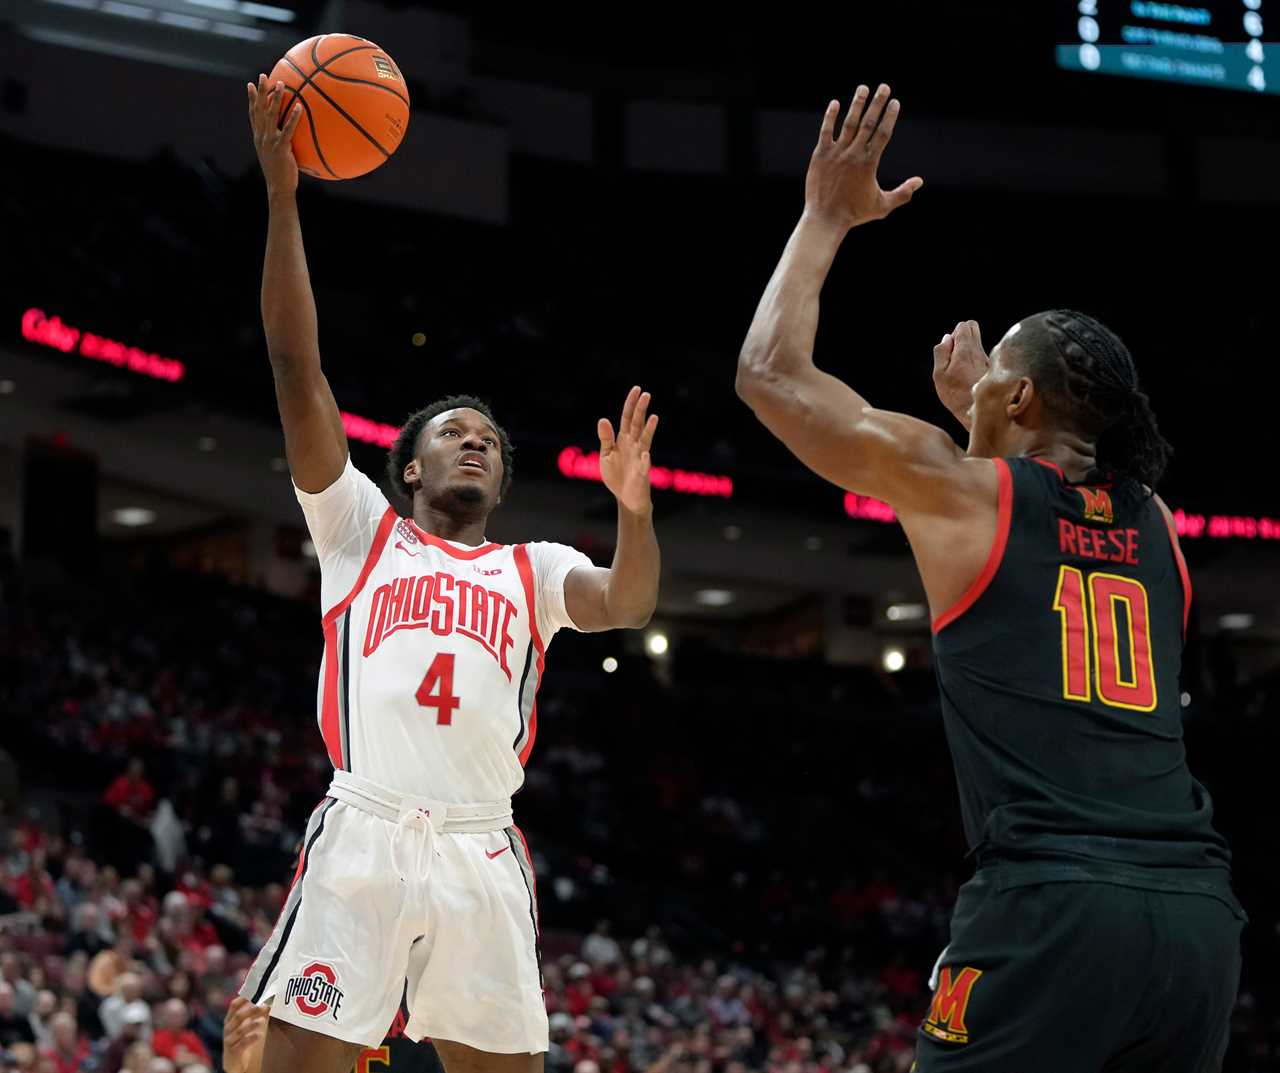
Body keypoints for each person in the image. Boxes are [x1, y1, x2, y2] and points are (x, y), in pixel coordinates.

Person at [736, 85, 1245, 1072]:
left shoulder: (966, 493)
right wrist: (991, 413)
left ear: (1012, 396)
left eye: (990, 376)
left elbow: (770, 373)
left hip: (1050, 908)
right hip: (1194, 923)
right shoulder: (1161, 525)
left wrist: (823, 215)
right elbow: (1064, 491)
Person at [238, 75, 662, 1073]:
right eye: (452, 433)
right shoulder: (358, 530)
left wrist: (635, 513)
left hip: (479, 844)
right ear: (412, 464)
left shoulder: (534, 566)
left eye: (488, 440)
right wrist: (284, 196)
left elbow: (631, 600)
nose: (474, 443)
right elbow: (297, 369)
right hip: (367, 827)